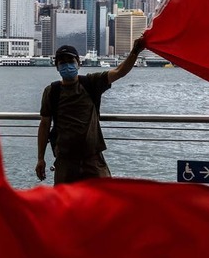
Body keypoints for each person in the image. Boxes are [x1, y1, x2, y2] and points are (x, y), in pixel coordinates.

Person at [36, 37, 146, 185]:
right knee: (66, 204)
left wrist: (135, 52)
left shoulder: (91, 83)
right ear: (56, 67)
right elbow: (44, 125)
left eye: (70, 61)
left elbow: (120, 71)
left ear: (78, 64)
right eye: (62, 63)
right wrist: (40, 158)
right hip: (65, 161)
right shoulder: (52, 91)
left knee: (105, 200)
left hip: (93, 158)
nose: (67, 66)